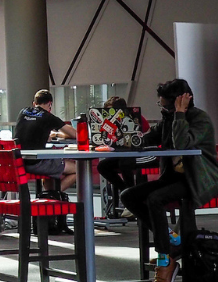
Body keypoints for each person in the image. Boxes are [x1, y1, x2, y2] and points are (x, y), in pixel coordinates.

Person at [119, 79, 218, 282]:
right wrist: (122, 141)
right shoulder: (168, 118)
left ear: (180, 102)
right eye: (162, 106)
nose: (163, 109)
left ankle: (165, 260)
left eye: (166, 106)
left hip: (197, 180)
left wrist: (180, 114)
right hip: (173, 179)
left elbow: (182, 143)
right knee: (129, 195)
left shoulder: (199, 119)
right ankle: (170, 238)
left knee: (155, 199)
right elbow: (150, 138)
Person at [11, 89, 79, 233]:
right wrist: (61, 134)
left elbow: (32, 133)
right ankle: (51, 195)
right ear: (50, 104)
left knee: (52, 168)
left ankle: (50, 195)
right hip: (36, 163)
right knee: (78, 169)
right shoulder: (48, 117)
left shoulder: (23, 112)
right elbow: (75, 134)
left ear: (34, 103)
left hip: (20, 162)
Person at [95, 96, 155, 211]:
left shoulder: (137, 119)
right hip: (121, 154)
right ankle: (126, 192)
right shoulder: (110, 123)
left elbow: (149, 137)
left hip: (142, 154)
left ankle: (131, 196)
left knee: (125, 163)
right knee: (102, 166)